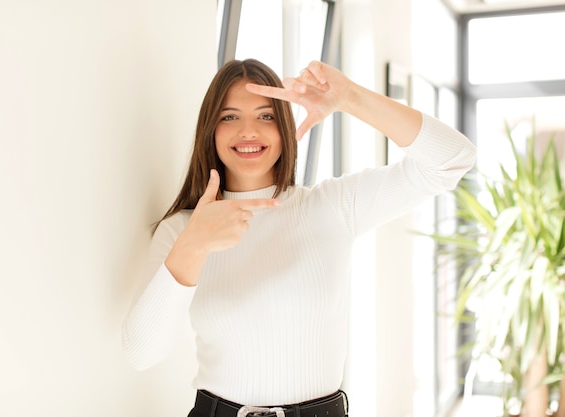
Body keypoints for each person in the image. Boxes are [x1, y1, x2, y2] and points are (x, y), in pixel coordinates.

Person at [122, 59, 476, 417]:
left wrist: (349, 96)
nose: (248, 131)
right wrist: (193, 246)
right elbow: (141, 354)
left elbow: (453, 159)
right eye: (229, 117)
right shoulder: (183, 230)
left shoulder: (332, 207)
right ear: (210, 130)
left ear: (286, 125)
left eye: (265, 116)